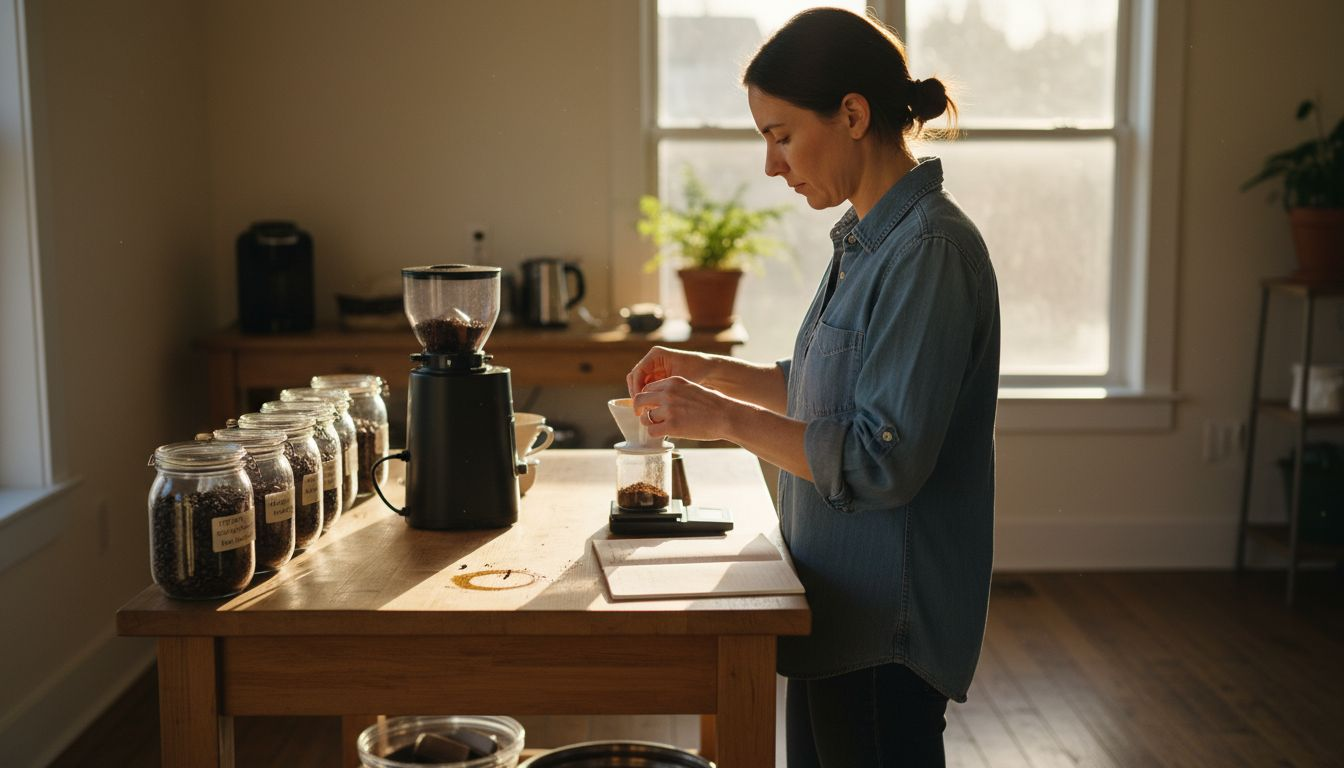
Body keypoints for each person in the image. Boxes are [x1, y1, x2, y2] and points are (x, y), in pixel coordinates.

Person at [625, 7, 999, 767]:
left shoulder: (928, 252)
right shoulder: (868, 241)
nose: (772, 165)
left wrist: (721, 418)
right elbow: (817, 389)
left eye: (781, 135)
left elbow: (881, 460)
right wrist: (703, 371)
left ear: (853, 115)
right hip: (835, 615)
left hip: (882, 635)